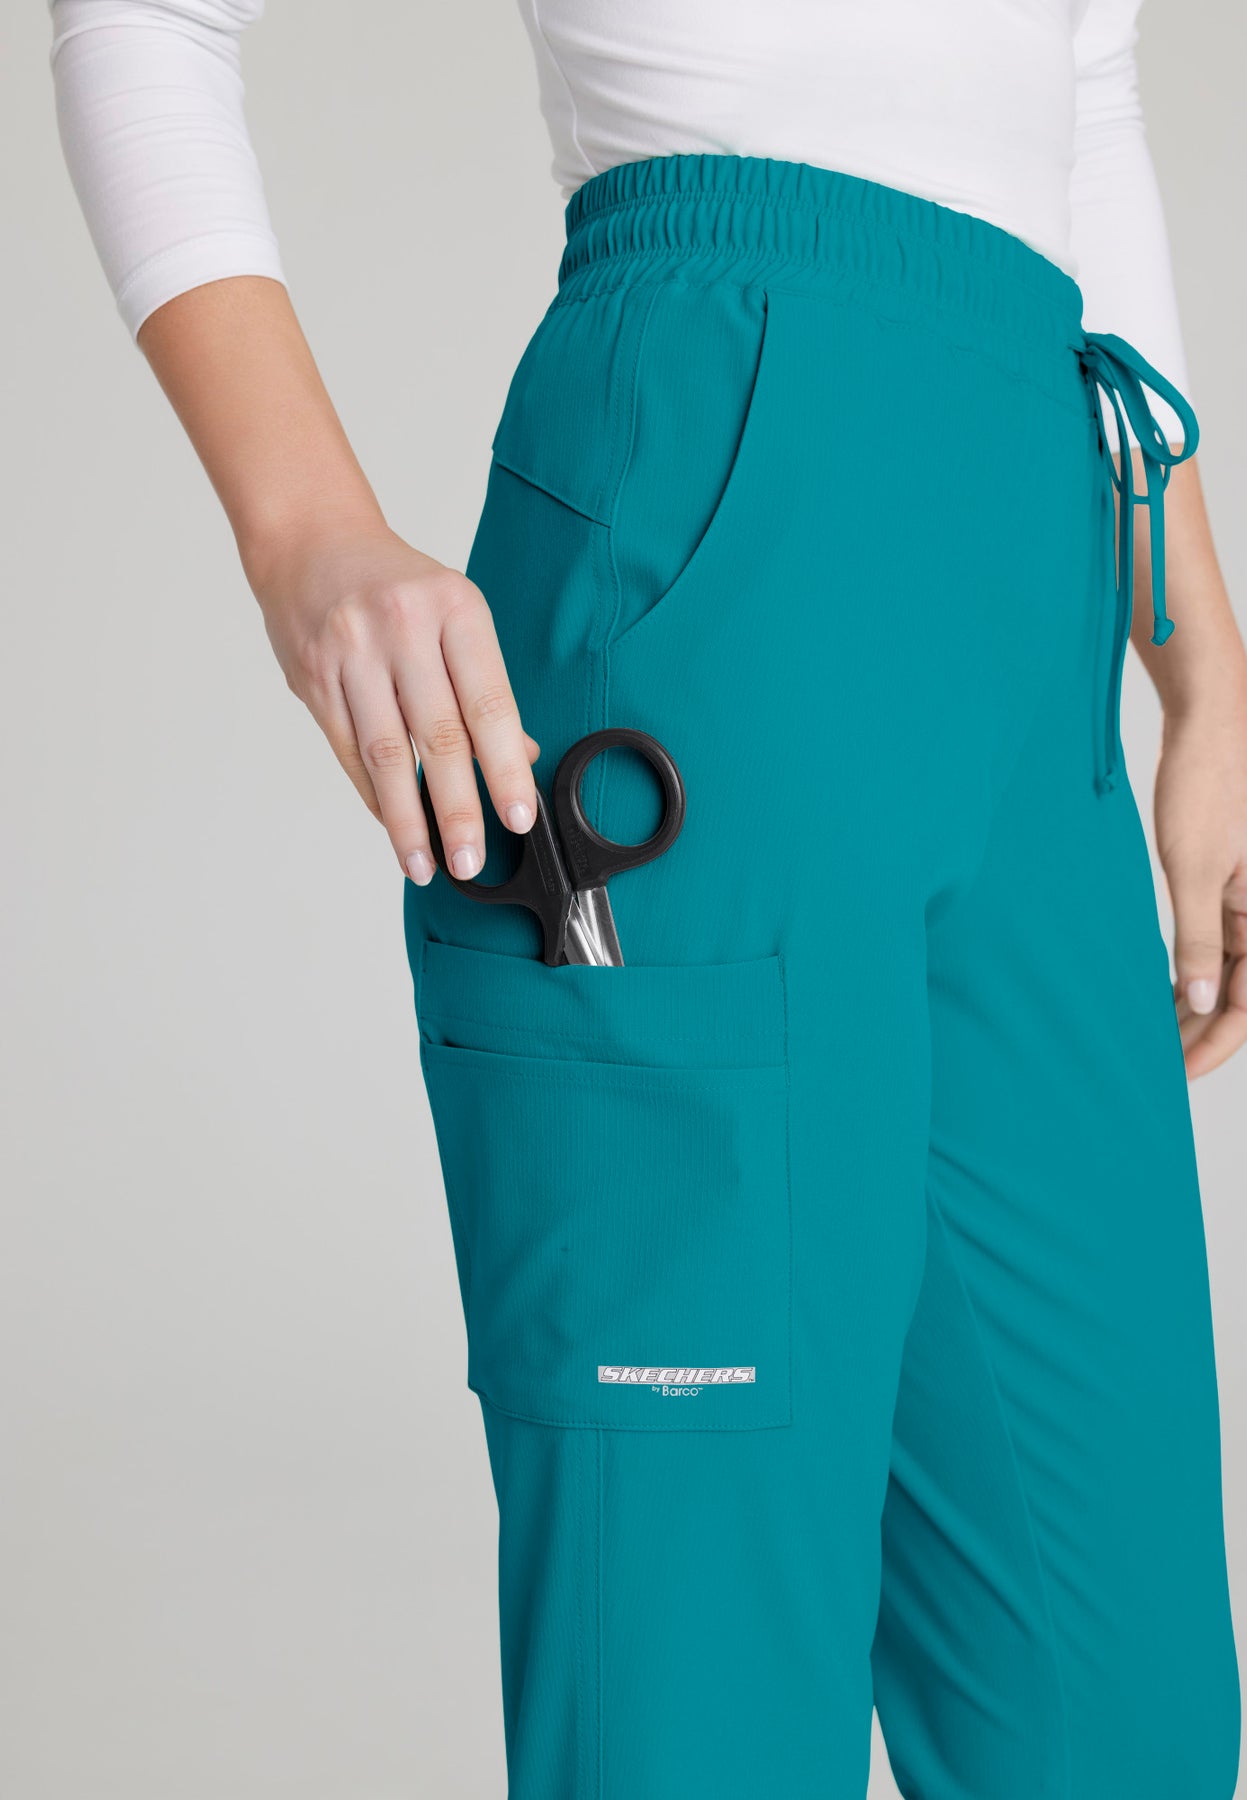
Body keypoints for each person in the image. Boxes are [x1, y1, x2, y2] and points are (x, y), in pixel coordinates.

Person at [48, 2, 1244, 1795]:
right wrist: (304, 532)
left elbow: (1083, 73)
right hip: (727, 495)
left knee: (1119, 1712)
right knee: (695, 1688)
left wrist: (1203, 663)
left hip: (1040, 551)